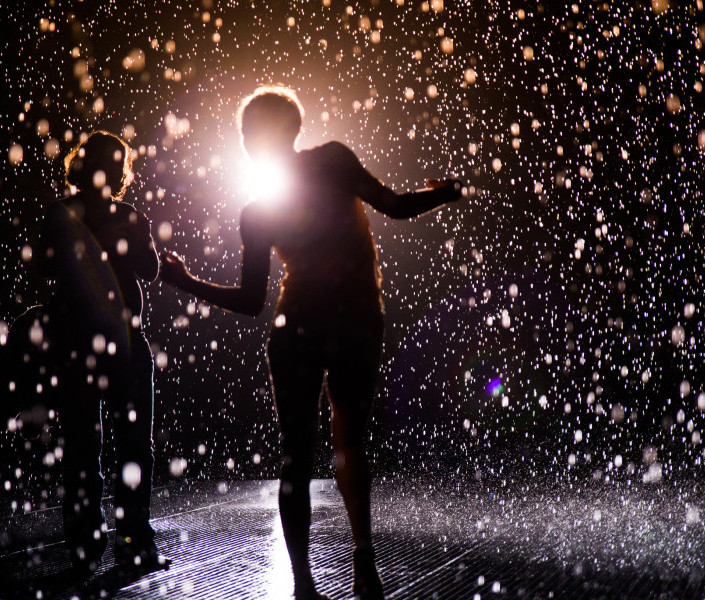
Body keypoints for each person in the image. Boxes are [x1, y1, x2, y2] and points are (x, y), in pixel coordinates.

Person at [160, 85, 463, 600]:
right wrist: (445, 192)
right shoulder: (332, 161)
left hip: (296, 324)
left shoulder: (258, 211)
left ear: (249, 142)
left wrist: (187, 282)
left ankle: (304, 583)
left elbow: (251, 300)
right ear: (296, 127)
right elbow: (394, 206)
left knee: (296, 455)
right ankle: (363, 559)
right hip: (355, 320)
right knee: (351, 444)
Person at [38, 131, 168, 577]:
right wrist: (133, 236)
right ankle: (132, 542)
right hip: (124, 342)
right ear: (116, 173)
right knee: (132, 447)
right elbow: (150, 272)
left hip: (77, 342)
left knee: (82, 445)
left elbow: (39, 268)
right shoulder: (125, 214)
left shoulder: (63, 214)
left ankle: (85, 544)